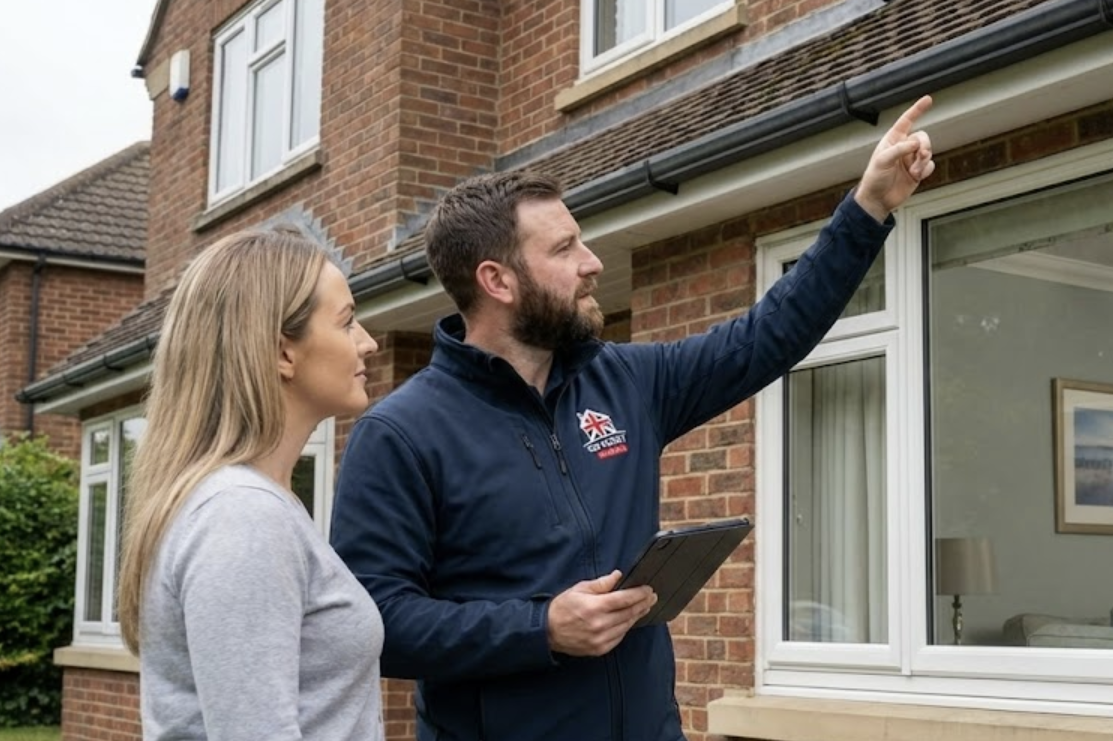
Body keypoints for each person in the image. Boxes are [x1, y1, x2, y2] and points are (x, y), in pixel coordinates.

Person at [330, 95, 937, 741]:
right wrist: (540, 628)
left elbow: (770, 334)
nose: (592, 263)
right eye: (564, 249)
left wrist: (867, 208)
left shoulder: (625, 380)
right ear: (497, 281)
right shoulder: (401, 433)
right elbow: (372, 622)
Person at [115, 228, 385, 741]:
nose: (367, 341)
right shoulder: (242, 515)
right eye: (347, 321)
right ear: (283, 353)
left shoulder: (252, 505)